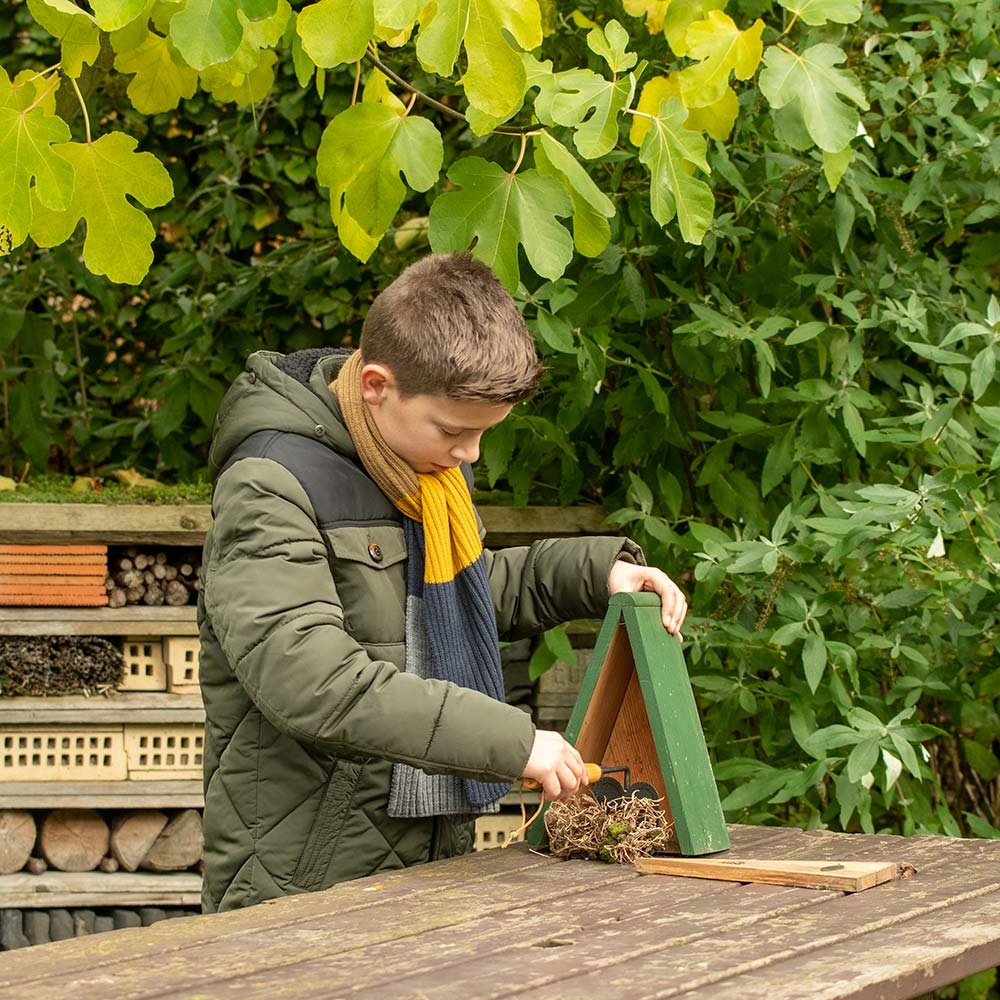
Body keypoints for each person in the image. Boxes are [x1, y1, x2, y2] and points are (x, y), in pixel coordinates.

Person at [197, 253, 687, 912]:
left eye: (484, 435)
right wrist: (510, 741)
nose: (470, 455)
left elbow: (460, 594)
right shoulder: (269, 482)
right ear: (376, 384)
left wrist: (596, 572)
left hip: (429, 862)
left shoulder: (419, 467)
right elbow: (311, 681)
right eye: (455, 431)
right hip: (304, 881)